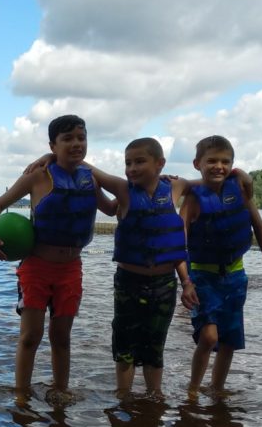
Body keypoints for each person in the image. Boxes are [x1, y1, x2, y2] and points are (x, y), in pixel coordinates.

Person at [0, 114, 111, 403]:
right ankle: (21, 395)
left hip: (70, 269)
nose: (76, 143)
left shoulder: (91, 180)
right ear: (53, 144)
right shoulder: (39, 175)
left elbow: (113, 209)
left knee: (61, 337)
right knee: (30, 336)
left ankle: (60, 389)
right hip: (37, 268)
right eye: (67, 139)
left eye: (81, 138)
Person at [85, 138, 198, 398]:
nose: (132, 168)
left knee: (155, 344)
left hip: (164, 284)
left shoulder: (174, 188)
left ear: (159, 164)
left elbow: (207, 182)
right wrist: (49, 158)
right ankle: (123, 395)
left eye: (139, 161)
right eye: (128, 163)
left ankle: (154, 395)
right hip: (129, 282)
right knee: (124, 344)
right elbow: (90, 170)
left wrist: (240, 176)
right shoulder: (124, 191)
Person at [180, 135, 262, 396]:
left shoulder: (240, 191)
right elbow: (178, 241)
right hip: (203, 277)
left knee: (229, 340)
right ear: (197, 163)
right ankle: (192, 390)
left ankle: (216, 388)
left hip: (236, 276)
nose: (218, 166)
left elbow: (259, 227)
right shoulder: (193, 199)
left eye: (225, 162)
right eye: (211, 160)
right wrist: (186, 281)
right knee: (210, 336)